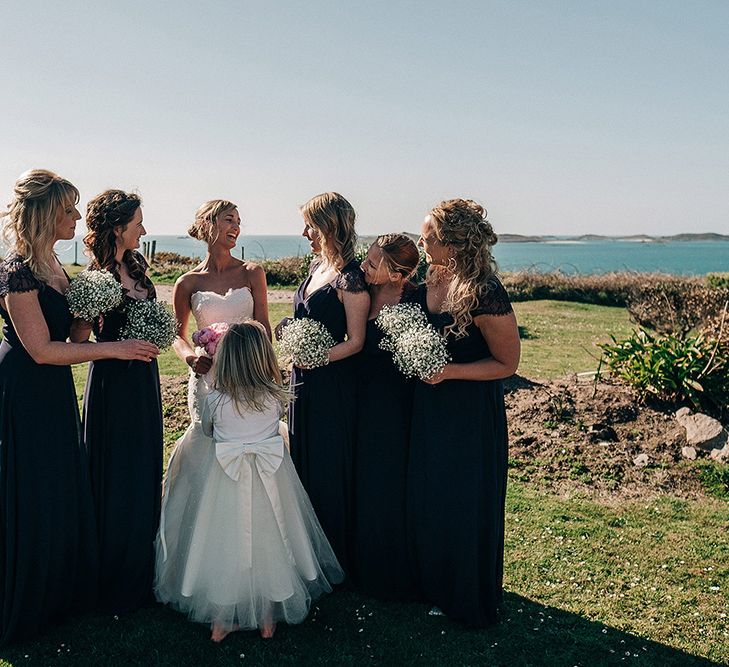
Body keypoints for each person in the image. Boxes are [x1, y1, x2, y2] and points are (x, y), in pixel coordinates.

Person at [0, 170, 158, 644]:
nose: (75, 216)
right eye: (68, 208)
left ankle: (58, 593)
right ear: (47, 213)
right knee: (30, 488)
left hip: (52, 390)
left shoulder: (54, 266)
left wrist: (99, 309)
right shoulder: (16, 271)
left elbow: (73, 337)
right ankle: (26, 601)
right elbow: (42, 350)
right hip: (24, 388)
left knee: (59, 485)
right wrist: (117, 349)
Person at [156, 321, 342, 641]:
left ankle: (221, 620)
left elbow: (208, 431)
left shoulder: (215, 400)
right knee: (271, 542)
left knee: (224, 543)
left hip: (225, 480)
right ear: (263, 358)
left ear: (226, 358)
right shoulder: (275, 397)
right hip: (271, 480)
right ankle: (268, 616)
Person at [408, 198, 520, 626]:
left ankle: (466, 595)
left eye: (429, 236)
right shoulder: (430, 277)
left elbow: (507, 364)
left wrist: (448, 372)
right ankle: (431, 584)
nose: (422, 243)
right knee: (430, 497)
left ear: (454, 243)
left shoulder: (486, 291)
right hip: (428, 408)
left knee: (463, 501)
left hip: (468, 414)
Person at [155, 200, 271, 603]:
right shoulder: (188, 283)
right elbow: (176, 334)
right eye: (228, 220)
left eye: (239, 221)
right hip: (207, 382)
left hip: (248, 380)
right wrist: (189, 356)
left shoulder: (253, 272)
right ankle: (202, 559)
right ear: (209, 226)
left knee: (248, 458)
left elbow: (265, 330)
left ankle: (254, 560)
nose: (236, 227)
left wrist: (267, 380)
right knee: (208, 453)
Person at [77, 189, 164, 613]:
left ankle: (141, 568)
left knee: (143, 465)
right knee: (114, 471)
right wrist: (109, 338)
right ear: (117, 228)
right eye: (138, 224)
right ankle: (112, 576)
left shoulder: (137, 267)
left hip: (143, 380)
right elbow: (76, 340)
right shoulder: (96, 280)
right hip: (112, 382)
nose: (144, 230)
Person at [280, 192, 369, 573]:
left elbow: (356, 342)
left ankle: (334, 555)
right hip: (304, 384)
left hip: (334, 387)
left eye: (311, 226)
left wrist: (314, 357)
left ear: (331, 226)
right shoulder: (318, 267)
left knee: (330, 464)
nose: (304, 233)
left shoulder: (351, 277)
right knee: (305, 461)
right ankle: (307, 551)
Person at [354, 234, 420, 599]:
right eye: (367, 257)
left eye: (372, 263)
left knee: (391, 485)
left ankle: (393, 569)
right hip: (360, 402)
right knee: (363, 481)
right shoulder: (360, 289)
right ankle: (363, 563)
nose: (364, 266)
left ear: (397, 275)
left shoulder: (417, 299)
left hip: (397, 409)